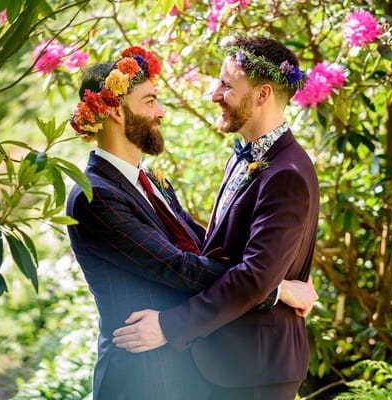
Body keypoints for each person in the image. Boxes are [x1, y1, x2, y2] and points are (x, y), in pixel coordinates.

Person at [66, 45, 317, 400]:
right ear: (117, 113)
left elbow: (201, 246)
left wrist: (264, 279)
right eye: (151, 101)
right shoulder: (96, 196)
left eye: (226, 86)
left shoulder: (149, 182)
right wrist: (277, 289)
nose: (162, 112)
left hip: (203, 369)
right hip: (139, 377)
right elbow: (178, 266)